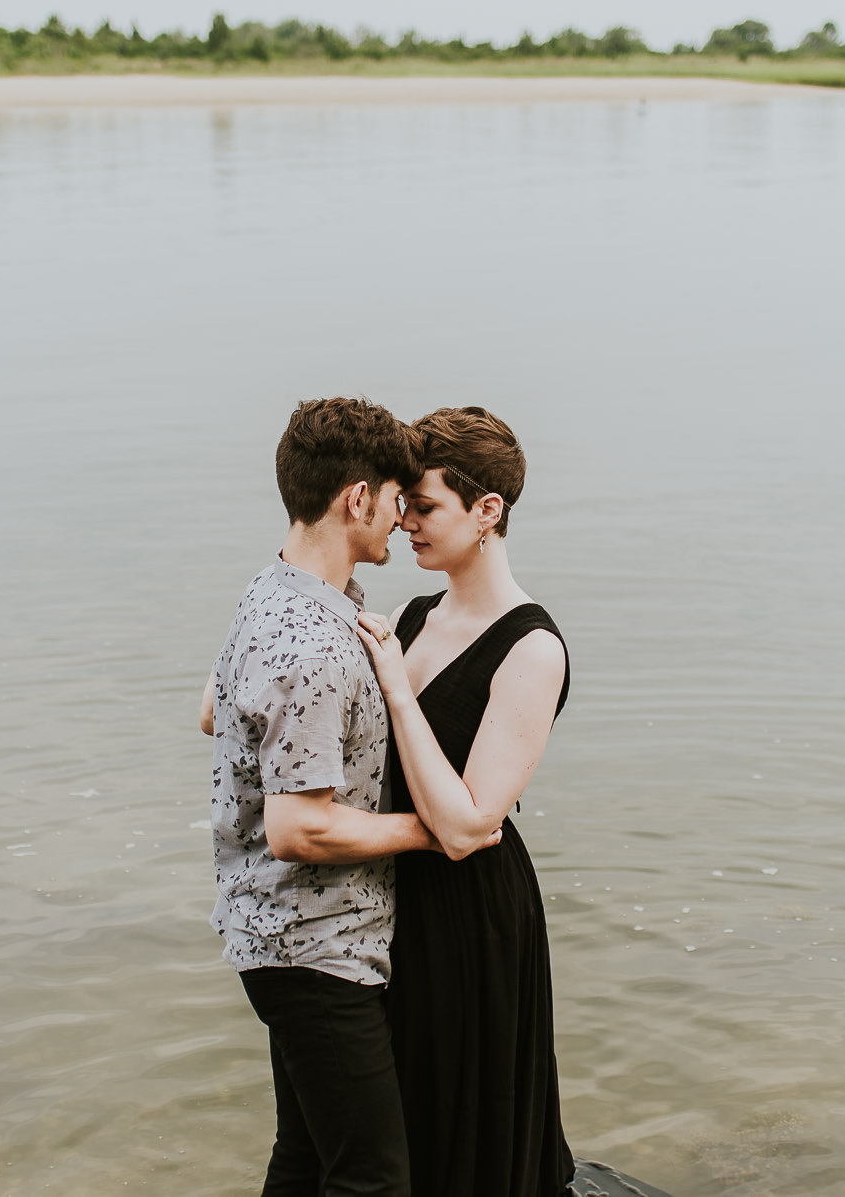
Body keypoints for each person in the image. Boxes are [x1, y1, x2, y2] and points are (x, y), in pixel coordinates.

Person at [200, 396, 496, 1197]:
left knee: (307, 1159)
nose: (402, 519)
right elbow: (300, 830)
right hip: (315, 947)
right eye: (396, 499)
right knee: (372, 1179)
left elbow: (209, 710)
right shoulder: (314, 641)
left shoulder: (275, 595)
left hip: (278, 935)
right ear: (356, 498)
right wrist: (428, 831)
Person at [351, 406, 606, 1197]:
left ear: (486, 510)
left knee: (464, 1118)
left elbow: (468, 824)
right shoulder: (418, 616)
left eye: (423, 506)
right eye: (403, 505)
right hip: (398, 899)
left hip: (472, 913)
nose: (407, 522)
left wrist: (396, 685)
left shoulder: (533, 647)